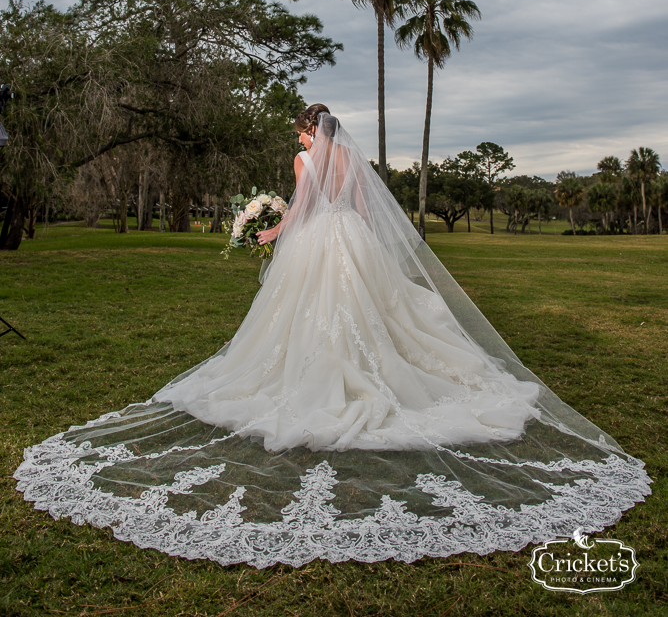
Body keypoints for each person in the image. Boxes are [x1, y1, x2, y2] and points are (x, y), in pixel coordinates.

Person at [14, 105, 650, 568]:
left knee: (303, 317)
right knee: (381, 317)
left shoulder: (305, 159)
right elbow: (362, 209)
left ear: (306, 132)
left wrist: (268, 232)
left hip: (321, 242)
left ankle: (322, 375)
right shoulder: (352, 159)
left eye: (299, 131)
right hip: (358, 242)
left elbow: (303, 208)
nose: (301, 140)